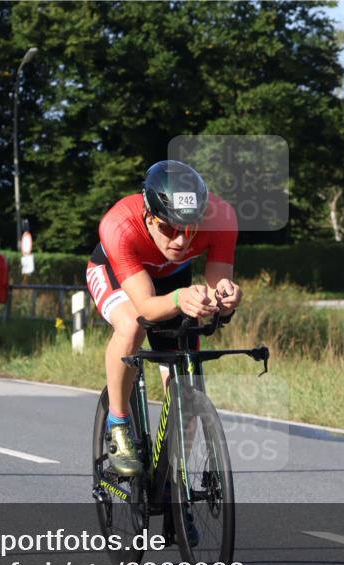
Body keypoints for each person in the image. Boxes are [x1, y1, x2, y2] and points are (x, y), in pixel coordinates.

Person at [85, 160, 242, 476]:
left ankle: (175, 483)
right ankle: (118, 423)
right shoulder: (119, 224)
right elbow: (145, 307)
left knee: (187, 384)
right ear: (149, 217)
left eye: (190, 229)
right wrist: (179, 299)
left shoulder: (222, 217)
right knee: (131, 326)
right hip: (117, 272)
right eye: (169, 228)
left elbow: (216, 287)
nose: (181, 241)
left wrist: (225, 299)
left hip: (173, 278)